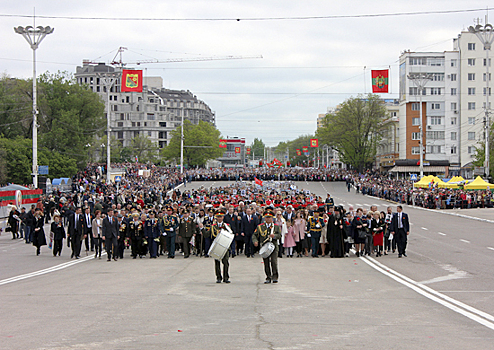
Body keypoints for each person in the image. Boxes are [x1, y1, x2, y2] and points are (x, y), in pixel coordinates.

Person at [253, 209, 282, 283]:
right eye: (266, 217)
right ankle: (268, 277)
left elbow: (279, 235)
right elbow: (254, 235)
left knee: (274, 262)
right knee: (266, 263)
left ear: (272, 218)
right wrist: (255, 241)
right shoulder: (260, 227)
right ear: (264, 218)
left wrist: (274, 236)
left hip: (273, 246)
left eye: (269, 217)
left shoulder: (275, 226)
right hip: (264, 246)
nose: (268, 218)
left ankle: (275, 276)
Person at [208, 209, 231, 283]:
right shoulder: (213, 226)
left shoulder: (227, 225)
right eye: (218, 217)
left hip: (225, 246)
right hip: (217, 246)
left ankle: (226, 277)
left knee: (226, 262)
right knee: (217, 262)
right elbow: (210, 235)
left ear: (223, 217)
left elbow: (230, 234)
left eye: (221, 217)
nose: (219, 218)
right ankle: (218, 277)